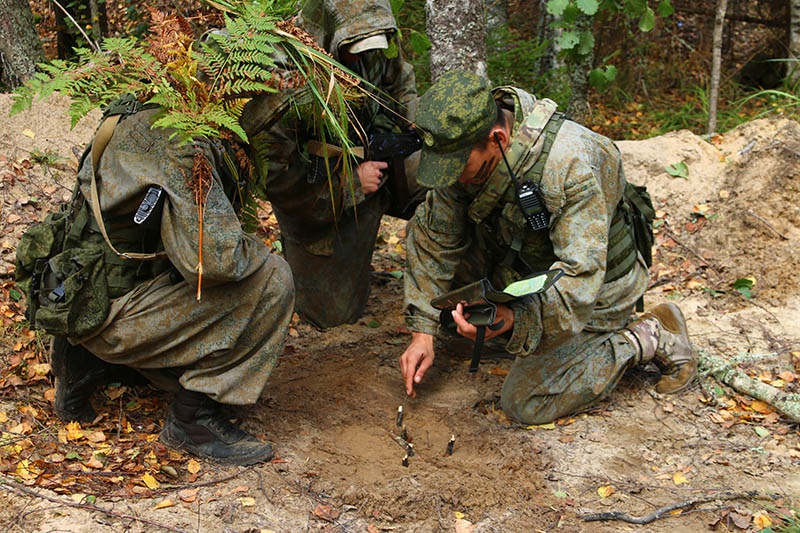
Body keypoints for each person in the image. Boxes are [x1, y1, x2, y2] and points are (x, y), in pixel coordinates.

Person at [399, 69, 697, 425]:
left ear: (498, 138)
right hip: (526, 264)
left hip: (597, 288)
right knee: (451, 318)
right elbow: (433, 237)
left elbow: (579, 277)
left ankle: (647, 336)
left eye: (462, 167)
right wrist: (422, 331)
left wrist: (517, 319)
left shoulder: (569, 164)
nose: (456, 178)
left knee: (526, 402)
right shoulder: (465, 147)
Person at [23, 96, 294, 465]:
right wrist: (254, 249)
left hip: (76, 294)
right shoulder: (184, 143)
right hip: (114, 315)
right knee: (272, 280)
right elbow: (214, 264)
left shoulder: (137, 108)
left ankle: (83, 365)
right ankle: (192, 420)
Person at [246, 0, 422, 328]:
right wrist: (351, 183)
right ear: (326, 34)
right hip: (320, 201)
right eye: (353, 49)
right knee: (330, 316)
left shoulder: (374, 39)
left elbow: (400, 79)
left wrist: (412, 116)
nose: (361, 56)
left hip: (380, 164)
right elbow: (278, 182)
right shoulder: (284, 81)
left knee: (445, 172)